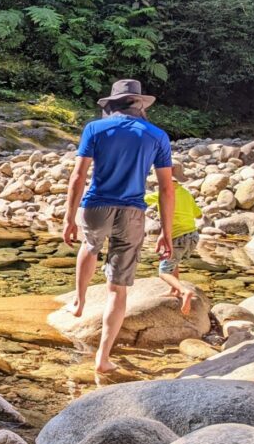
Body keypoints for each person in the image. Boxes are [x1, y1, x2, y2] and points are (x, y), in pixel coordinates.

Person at [63, 79, 175, 381]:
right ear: (139, 104)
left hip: (96, 205)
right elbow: (167, 187)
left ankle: (80, 299)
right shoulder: (156, 135)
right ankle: (103, 357)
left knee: (90, 245)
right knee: (118, 287)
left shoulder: (95, 129)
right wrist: (166, 230)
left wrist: (69, 217)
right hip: (133, 211)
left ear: (112, 104)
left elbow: (78, 176)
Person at [144, 161, 202, 315]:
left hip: (177, 237)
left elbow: (141, 201)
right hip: (193, 236)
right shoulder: (186, 193)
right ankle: (174, 290)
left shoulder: (160, 194)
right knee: (173, 262)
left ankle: (183, 291)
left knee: (164, 271)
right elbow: (198, 213)